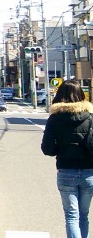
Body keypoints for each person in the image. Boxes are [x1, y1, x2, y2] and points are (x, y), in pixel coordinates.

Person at [41, 80, 93, 238]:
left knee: (71, 216)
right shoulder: (90, 117)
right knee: (84, 215)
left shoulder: (55, 119)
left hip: (66, 171)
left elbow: (47, 148)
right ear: (81, 95)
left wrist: (61, 150)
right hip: (89, 172)